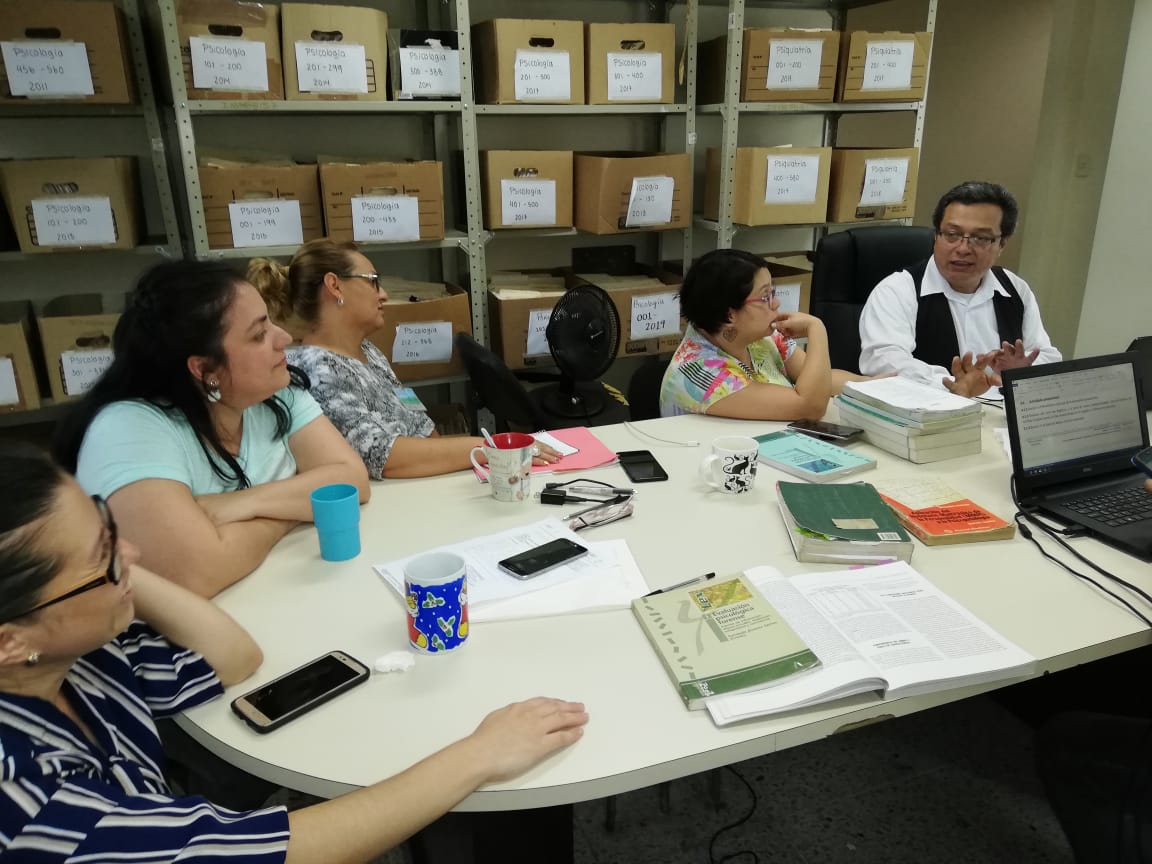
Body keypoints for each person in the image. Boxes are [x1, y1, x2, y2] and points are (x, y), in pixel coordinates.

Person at [0, 443, 589, 862]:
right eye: (101, 557)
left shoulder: (79, 656)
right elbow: (279, 851)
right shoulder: (25, 805)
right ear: (10, 640)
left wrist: (112, 568)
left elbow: (232, 655)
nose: (131, 551)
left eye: (109, 523)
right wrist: (479, 754)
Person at [52, 259, 371, 597]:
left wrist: (240, 504)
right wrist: (293, 510)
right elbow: (197, 572)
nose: (284, 337)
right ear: (205, 370)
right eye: (259, 334)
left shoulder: (276, 395)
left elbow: (351, 481)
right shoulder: (128, 430)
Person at [247, 239, 560, 479]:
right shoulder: (316, 370)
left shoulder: (368, 351)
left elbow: (418, 421)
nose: (383, 294)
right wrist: (490, 448)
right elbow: (382, 456)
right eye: (372, 280)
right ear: (334, 286)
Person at [859, 180, 1062, 397]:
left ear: (1001, 244)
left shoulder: (1014, 289)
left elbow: (1046, 356)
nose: (963, 248)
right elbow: (886, 363)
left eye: (980, 238)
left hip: (1000, 413)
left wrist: (1019, 372)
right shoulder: (897, 290)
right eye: (952, 234)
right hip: (931, 411)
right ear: (936, 235)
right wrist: (954, 385)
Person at [659, 248, 868, 420]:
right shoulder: (700, 372)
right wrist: (817, 329)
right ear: (729, 315)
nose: (776, 303)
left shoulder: (760, 337)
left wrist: (874, 384)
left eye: (772, 293)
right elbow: (810, 407)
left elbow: (821, 380)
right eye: (765, 297)